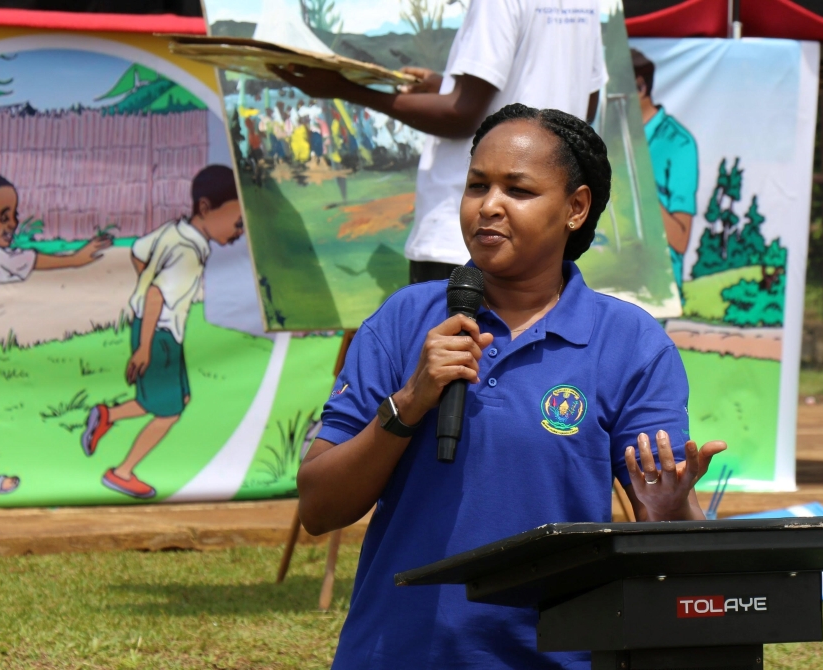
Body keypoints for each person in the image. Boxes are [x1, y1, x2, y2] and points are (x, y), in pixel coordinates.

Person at [297, 105, 727, 669]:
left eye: (517, 189)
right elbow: (319, 507)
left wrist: (673, 513)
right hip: (397, 653)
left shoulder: (629, 344)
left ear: (575, 208)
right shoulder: (404, 321)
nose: (488, 206)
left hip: (554, 656)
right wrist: (408, 403)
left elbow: (669, 546)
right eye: (477, 185)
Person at [273, 0, 608, 284]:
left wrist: (344, 87)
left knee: (451, 355)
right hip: (538, 244)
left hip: (460, 242)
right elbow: (584, 103)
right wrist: (447, 85)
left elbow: (460, 116)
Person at [80, 165, 243, 500]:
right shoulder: (189, 252)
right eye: (237, 222)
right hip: (160, 335)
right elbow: (157, 294)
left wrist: (146, 287)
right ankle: (122, 472)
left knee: (175, 398)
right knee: (169, 411)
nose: (240, 231)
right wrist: (145, 347)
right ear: (205, 209)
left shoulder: (174, 230)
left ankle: (107, 415)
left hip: (156, 329)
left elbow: (139, 252)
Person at [0, 169, 112, 495]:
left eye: (14, 215)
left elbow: (29, 261)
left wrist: (76, 260)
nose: (12, 224)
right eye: (2, 216)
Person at [631, 48, 699, 300]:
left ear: (640, 87)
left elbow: (680, 238)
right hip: (600, 287)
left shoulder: (679, 143)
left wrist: (636, 185)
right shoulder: (605, 134)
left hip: (654, 292)